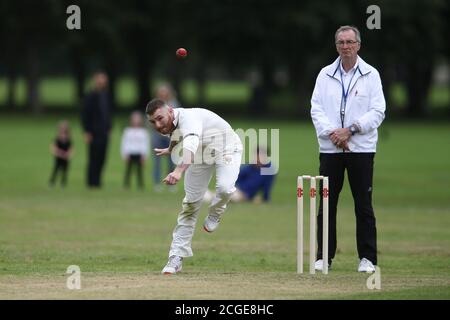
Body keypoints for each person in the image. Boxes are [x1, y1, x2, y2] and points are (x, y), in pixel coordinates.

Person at [310, 25, 386, 273]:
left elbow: (377, 112)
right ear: (336, 46)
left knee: (363, 204)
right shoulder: (325, 74)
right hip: (330, 149)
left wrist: (350, 130)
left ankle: (367, 259)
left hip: (360, 148)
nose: (345, 47)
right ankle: (323, 257)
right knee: (326, 204)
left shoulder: (371, 74)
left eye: (350, 42)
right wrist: (334, 133)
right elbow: (316, 109)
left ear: (358, 45)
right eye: (341, 42)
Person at [145, 98, 243, 275]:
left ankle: (216, 213)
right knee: (190, 204)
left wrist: (178, 171)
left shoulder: (189, 119)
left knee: (225, 188)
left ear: (170, 111)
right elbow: (176, 134)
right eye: (153, 122)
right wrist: (170, 148)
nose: (158, 125)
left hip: (227, 148)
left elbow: (190, 145)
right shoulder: (170, 122)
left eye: (160, 118)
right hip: (201, 154)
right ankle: (175, 257)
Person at [203, 146, 276, 204]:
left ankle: (204, 195)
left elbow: (267, 186)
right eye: (256, 156)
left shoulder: (268, 170)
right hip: (236, 190)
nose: (257, 159)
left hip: (243, 195)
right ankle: (203, 194)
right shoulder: (251, 167)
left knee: (223, 197)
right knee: (221, 194)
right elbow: (237, 176)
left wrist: (265, 199)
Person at [81, 72, 112, 188]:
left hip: (104, 132)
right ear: (95, 81)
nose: (102, 82)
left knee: (102, 157)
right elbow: (85, 115)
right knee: (93, 157)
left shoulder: (106, 95)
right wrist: (86, 131)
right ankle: (91, 182)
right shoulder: (90, 96)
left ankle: (98, 181)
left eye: (104, 80)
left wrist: (109, 128)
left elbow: (108, 114)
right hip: (93, 132)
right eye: (100, 80)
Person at [150, 84, 179, 192]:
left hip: (171, 136)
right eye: (161, 93)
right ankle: (157, 183)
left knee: (172, 159)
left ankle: (171, 182)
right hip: (157, 135)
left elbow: (177, 119)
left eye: (165, 92)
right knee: (157, 160)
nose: (163, 95)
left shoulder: (173, 104)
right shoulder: (153, 105)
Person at [120, 111, 150, 189]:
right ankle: (126, 185)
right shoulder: (127, 131)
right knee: (128, 170)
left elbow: (145, 144)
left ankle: (140, 185)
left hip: (139, 153)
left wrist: (144, 155)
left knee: (139, 171)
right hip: (130, 153)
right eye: (134, 119)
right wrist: (124, 154)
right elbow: (124, 143)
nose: (136, 121)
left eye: (137, 119)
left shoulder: (143, 132)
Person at [49, 120, 74, 188]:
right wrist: (59, 153)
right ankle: (52, 182)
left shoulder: (68, 140)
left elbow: (71, 149)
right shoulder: (57, 139)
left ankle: (63, 183)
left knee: (65, 171)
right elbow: (53, 148)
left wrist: (68, 154)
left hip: (65, 159)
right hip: (58, 158)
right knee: (56, 170)